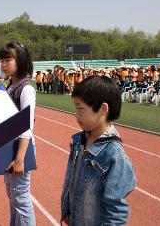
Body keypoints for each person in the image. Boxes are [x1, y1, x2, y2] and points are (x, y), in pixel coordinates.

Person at [61, 75, 136, 225]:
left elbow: (115, 213)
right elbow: (72, 184)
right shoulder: (79, 142)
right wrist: (68, 212)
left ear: (103, 109)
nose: (76, 114)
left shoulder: (114, 156)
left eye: (80, 108)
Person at [0, 41, 36, 226]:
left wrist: (20, 158)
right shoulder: (10, 86)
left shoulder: (26, 89)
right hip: (8, 147)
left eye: (7, 60)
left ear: (20, 60)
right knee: (13, 196)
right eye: (1, 61)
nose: (3, 64)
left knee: (21, 199)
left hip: (20, 149)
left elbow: (26, 127)